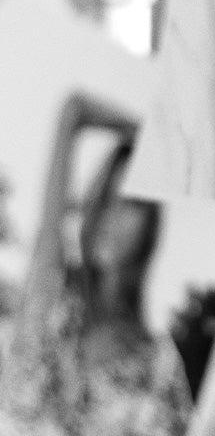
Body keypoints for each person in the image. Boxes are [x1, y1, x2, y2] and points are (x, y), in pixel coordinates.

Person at [0, 93, 192, 435]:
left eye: (130, 203)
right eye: (105, 198)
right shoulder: (54, 298)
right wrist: (150, 133)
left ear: (150, 225)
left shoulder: (158, 368)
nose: (111, 215)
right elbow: (73, 110)